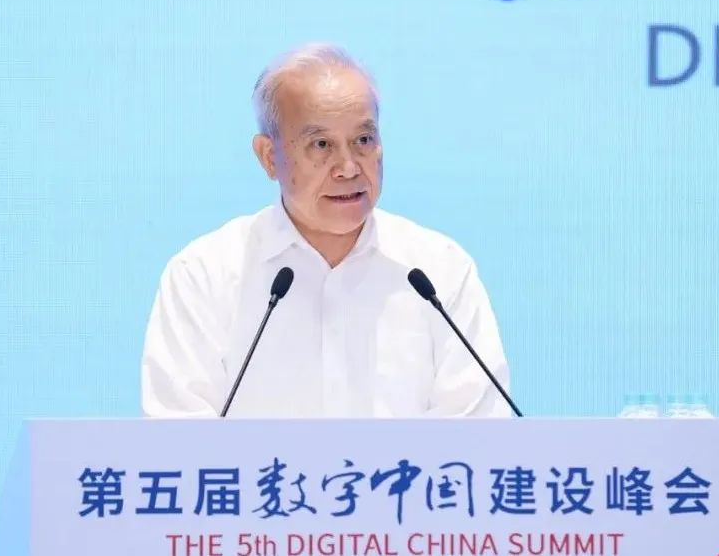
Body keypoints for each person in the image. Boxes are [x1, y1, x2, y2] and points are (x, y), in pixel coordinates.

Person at [141, 43, 512, 417]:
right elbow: (179, 435)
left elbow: (477, 429)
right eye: (321, 145)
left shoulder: (440, 272)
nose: (349, 167)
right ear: (269, 157)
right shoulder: (204, 276)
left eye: (363, 140)